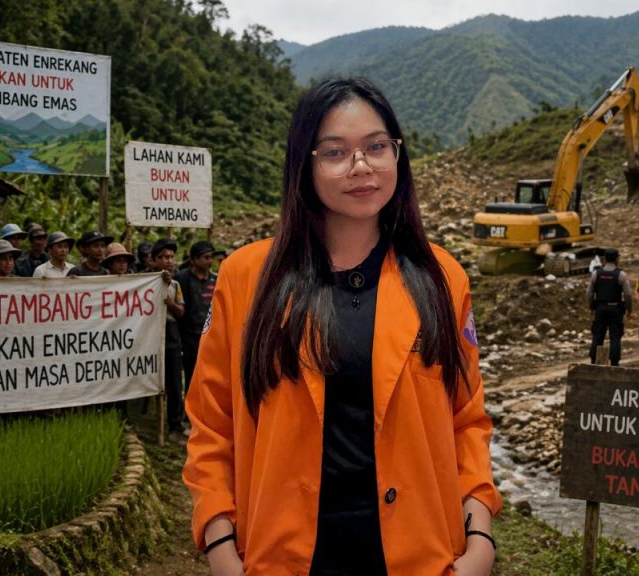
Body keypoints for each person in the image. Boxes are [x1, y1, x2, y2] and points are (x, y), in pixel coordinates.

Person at [183, 78, 500, 576]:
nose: (361, 167)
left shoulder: (442, 278)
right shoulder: (246, 278)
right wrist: (220, 543)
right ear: (303, 164)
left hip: (420, 555)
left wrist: (479, 538)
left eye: (376, 147)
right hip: (281, 557)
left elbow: (468, 421)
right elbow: (211, 425)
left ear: (397, 154)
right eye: (335, 152)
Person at [175, 241, 218, 398]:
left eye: (211, 257)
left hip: (211, 337)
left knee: (210, 376)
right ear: (193, 259)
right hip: (189, 338)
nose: (209, 261)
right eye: (205, 257)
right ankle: (190, 408)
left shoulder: (216, 279)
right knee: (191, 375)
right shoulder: (181, 279)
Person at [151, 239, 185, 435]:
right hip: (149, 333)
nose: (168, 261)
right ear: (154, 260)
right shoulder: (144, 282)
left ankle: (175, 423)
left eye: (171, 257)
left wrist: (170, 304)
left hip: (171, 333)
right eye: (164, 257)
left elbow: (181, 311)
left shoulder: (175, 285)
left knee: (174, 381)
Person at [586, 247, 633, 366]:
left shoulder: (596, 273)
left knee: (598, 335)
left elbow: (589, 293)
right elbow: (628, 294)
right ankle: (614, 363)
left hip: (600, 309)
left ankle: (595, 362)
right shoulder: (621, 275)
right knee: (615, 336)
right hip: (616, 309)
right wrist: (629, 310)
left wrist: (591, 307)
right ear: (617, 259)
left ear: (605, 259)